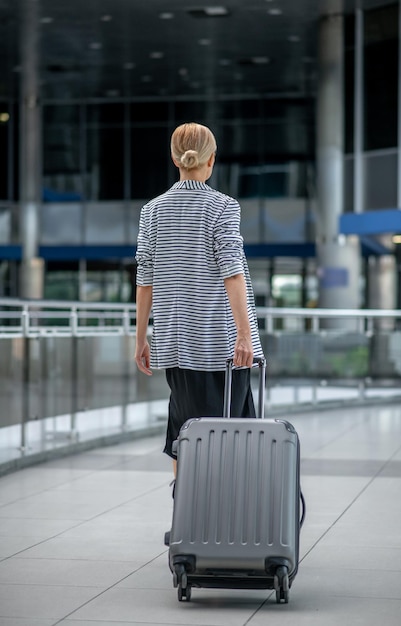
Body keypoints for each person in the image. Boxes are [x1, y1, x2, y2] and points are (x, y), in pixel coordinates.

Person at [134, 122, 264, 476]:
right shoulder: (223, 206)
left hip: (175, 344)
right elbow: (232, 271)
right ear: (211, 161)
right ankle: (220, 519)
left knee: (184, 432)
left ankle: (188, 518)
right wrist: (244, 335)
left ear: (175, 159)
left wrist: (141, 337)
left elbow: (144, 279)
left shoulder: (152, 210)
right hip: (222, 347)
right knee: (231, 434)